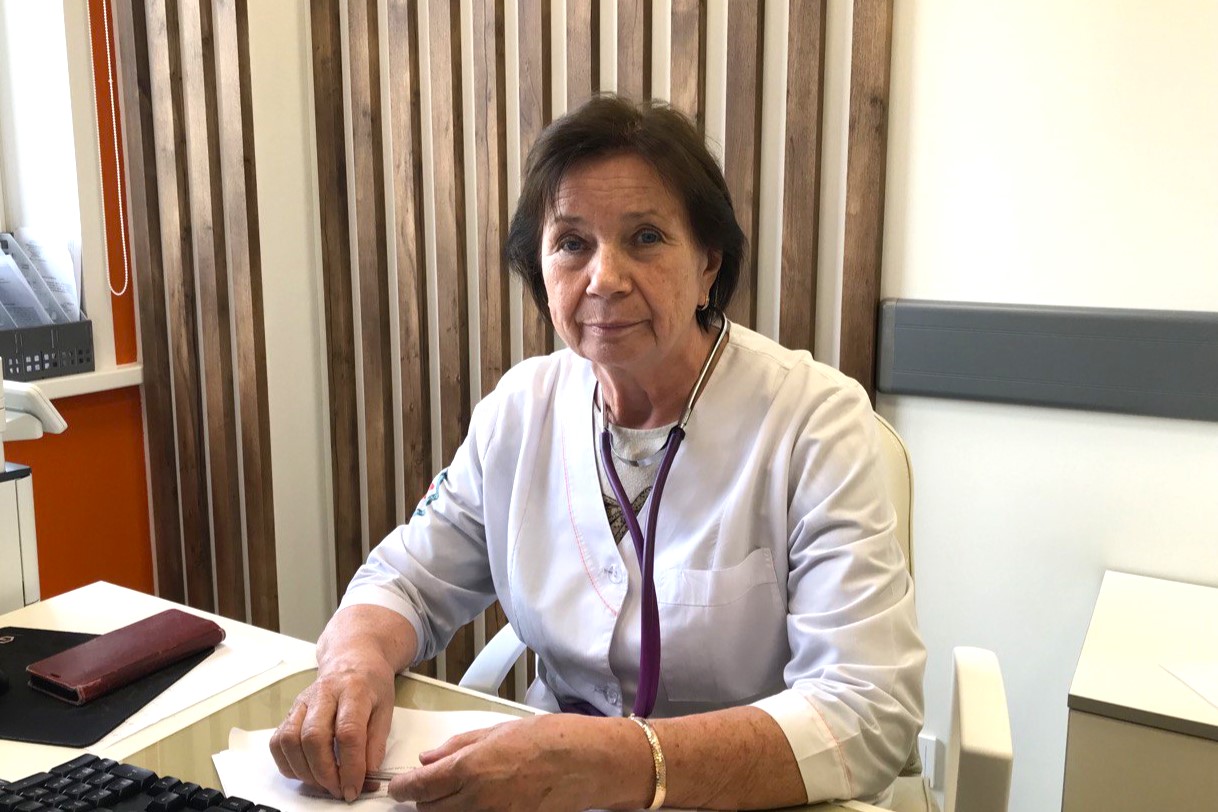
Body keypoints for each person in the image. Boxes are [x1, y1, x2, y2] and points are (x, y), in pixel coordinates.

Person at [270, 94, 925, 811]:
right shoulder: (520, 412)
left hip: (750, 796)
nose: (604, 278)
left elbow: (867, 712)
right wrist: (353, 663)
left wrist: (611, 763)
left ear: (708, 263)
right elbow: (403, 581)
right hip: (548, 790)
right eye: (572, 243)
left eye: (645, 237)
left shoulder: (815, 425)